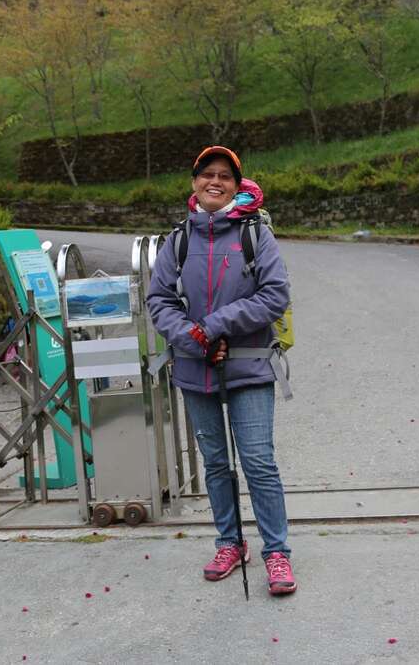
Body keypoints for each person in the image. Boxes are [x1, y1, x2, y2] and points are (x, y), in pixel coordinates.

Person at [146, 145, 297, 596]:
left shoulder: (255, 234)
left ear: (236, 185)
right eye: (207, 174)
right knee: (215, 464)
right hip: (196, 369)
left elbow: (275, 295)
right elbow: (160, 300)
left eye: (225, 176)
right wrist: (193, 338)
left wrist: (214, 326)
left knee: (258, 462)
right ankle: (230, 543)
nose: (215, 181)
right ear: (194, 183)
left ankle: (276, 552)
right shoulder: (178, 239)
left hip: (248, 365)